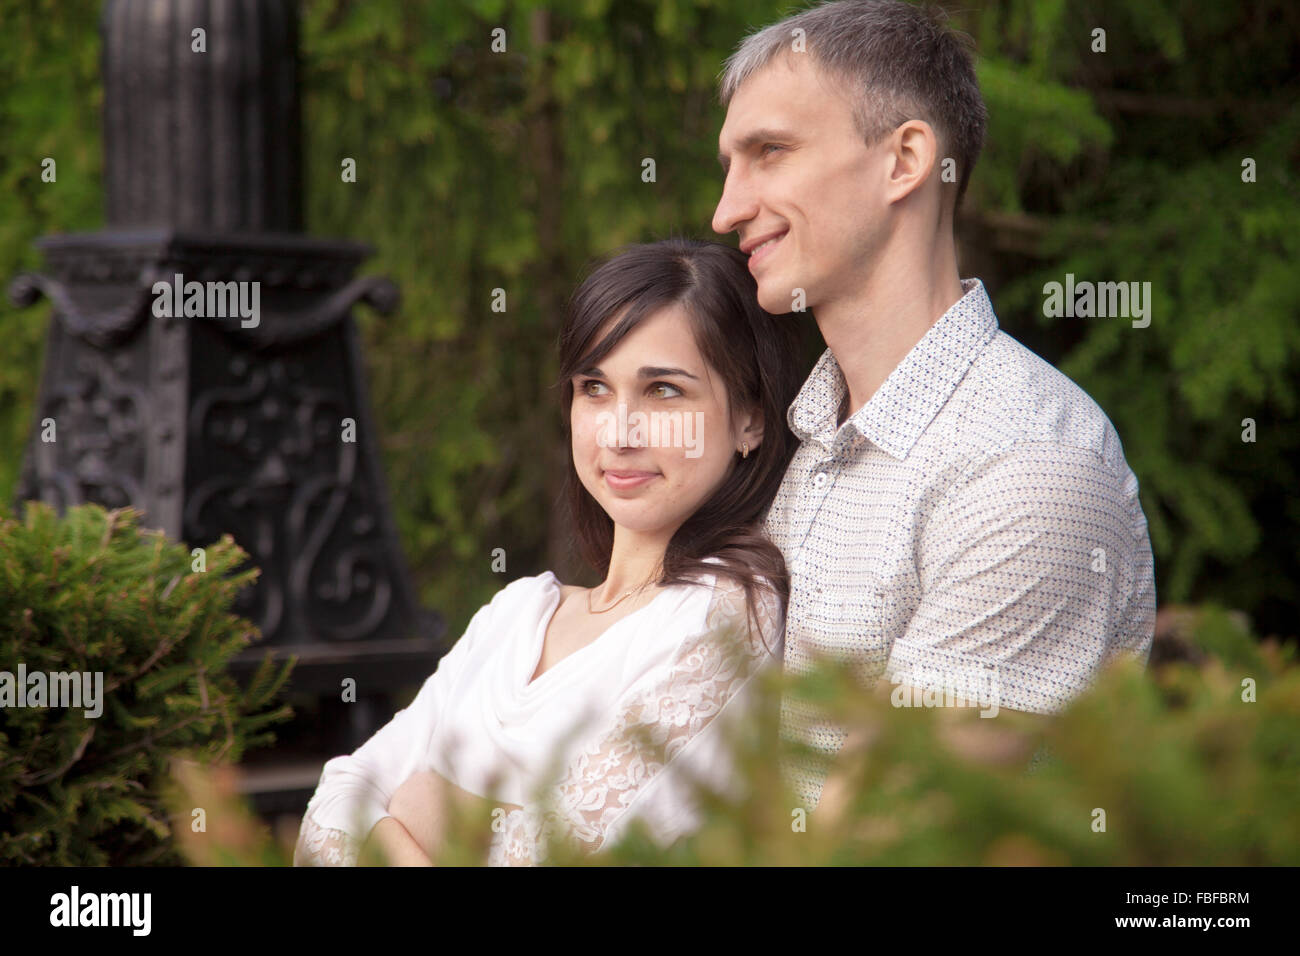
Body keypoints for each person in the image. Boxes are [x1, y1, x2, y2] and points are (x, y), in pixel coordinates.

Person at [711, 0, 1158, 813]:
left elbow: (893, 831)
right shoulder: (803, 440)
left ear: (905, 159)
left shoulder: (1029, 467)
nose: (727, 210)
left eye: (768, 152)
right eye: (729, 165)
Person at [293, 238, 803, 865]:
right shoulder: (515, 614)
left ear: (750, 418)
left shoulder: (726, 616)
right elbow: (332, 802)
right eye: (594, 388)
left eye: (663, 391)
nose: (619, 432)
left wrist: (417, 806)